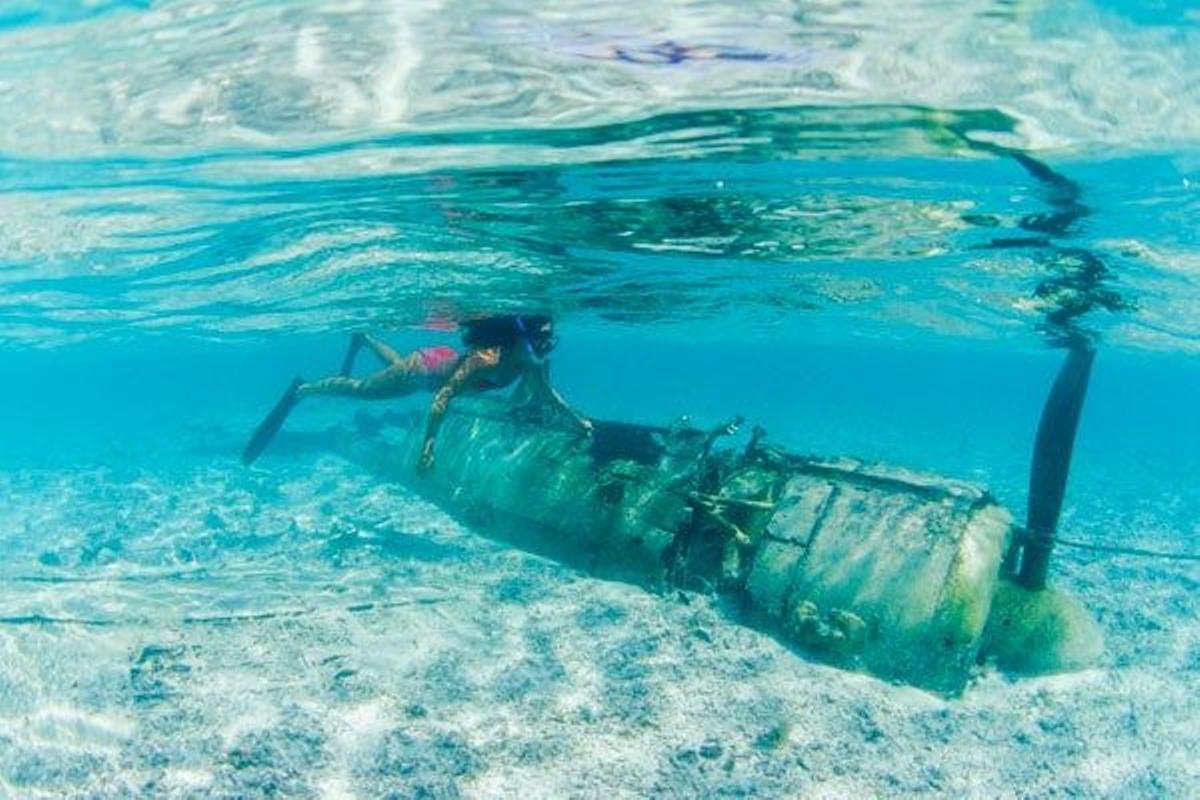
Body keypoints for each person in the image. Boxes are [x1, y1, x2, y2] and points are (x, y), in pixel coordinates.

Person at [241, 315, 591, 469]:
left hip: (431, 368)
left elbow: (547, 396)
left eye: (549, 340)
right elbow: (443, 397)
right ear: (517, 339)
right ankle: (304, 389)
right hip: (425, 369)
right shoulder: (485, 360)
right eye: (539, 340)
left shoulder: (529, 363)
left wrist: (576, 420)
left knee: (393, 375)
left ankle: (365, 339)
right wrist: (428, 445)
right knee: (362, 389)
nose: (546, 346)